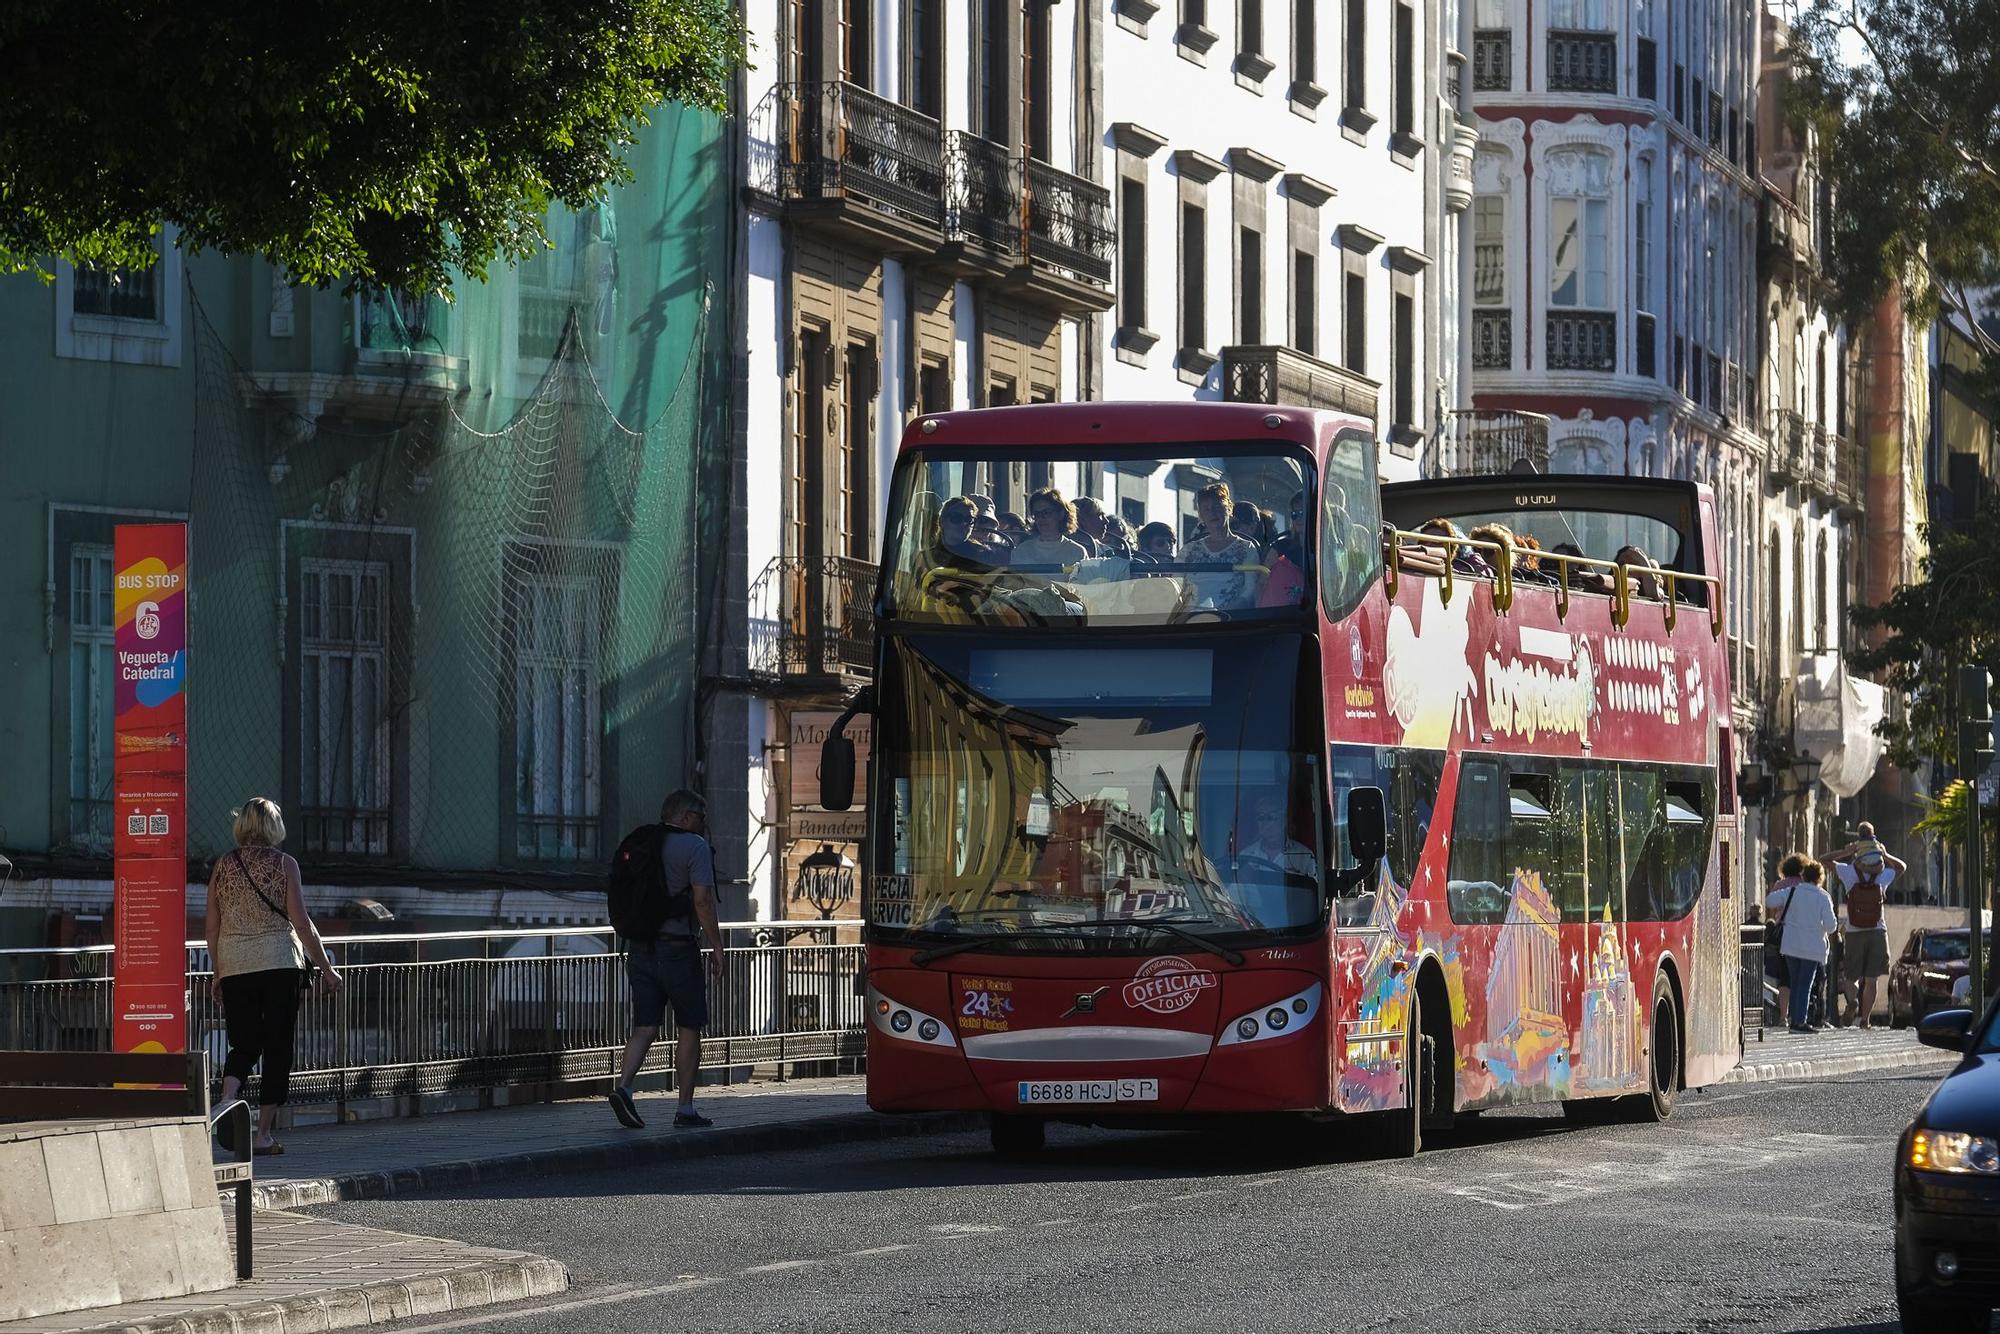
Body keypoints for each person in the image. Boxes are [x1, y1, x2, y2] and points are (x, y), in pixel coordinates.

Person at [205, 798, 341, 1155]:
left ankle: (228, 1098)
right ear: (273, 827)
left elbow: (212, 927)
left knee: (244, 1043)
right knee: (278, 1046)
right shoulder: (285, 864)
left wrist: (218, 973)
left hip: (235, 966)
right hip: (280, 964)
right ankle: (263, 1134)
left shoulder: (223, 866)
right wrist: (326, 968)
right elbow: (301, 922)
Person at [611, 789, 726, 1130]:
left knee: (645, 1025)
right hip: (677, 949)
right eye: (702, 818)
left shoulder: (642, 841)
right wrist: (717, 946)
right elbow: (703, 901)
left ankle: (624, 1088)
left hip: (640, 948)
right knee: (690, 1025)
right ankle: (685, 1109)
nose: (705, 825)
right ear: (688, 816)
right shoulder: (695, 847)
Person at [1822, 823, 1907, 1029]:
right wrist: (1885, 855)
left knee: (1852, 975)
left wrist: (1845, 851)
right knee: (1872, 978)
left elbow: (1824, 860)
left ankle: (1852, 1001)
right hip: (1877, 930)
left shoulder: (1849, 872)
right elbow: (1902, 867)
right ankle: (1865, 1020)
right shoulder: (1883, 875)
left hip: (1854, 930)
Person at [1768, 861, 1839, 1033]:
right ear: (1819, 878)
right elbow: (1831, 926)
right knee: (1805, 984)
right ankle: (1799, 1021)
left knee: (1794, 982)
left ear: (1803, 876)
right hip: (1812, 948)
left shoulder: (1792, 891)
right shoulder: (1823, 897)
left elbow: (1769, 901)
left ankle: (1793, 1019)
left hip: (1791, 944)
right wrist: (1818, 927)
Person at [1180, 482, 1262, 609]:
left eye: (1217, 507)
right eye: (1206, 509)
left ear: (1229, 508)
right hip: (1190, 621)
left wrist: (1222, 614)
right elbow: (1175, 587)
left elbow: (1250, 591)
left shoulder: (1247, 548)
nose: (1212, 512)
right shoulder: (1188, 550)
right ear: (1201, 515)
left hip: (1229, 620)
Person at [1765, 854, 1807, 1021]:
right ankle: (1799, 1014)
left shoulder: (1780, 885)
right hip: (1802, 933)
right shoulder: (1805, 885)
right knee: (1800, 974)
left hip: (1784, 933)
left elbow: (1772, 907)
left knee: (1784, 976)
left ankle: (1783, 1016)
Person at [1009, 487, 1092, 569]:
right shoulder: (1021, 551)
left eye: (1047, 512)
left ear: (1061, 514)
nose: (1041, 518)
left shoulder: (1077, 552)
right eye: (1037, 514)